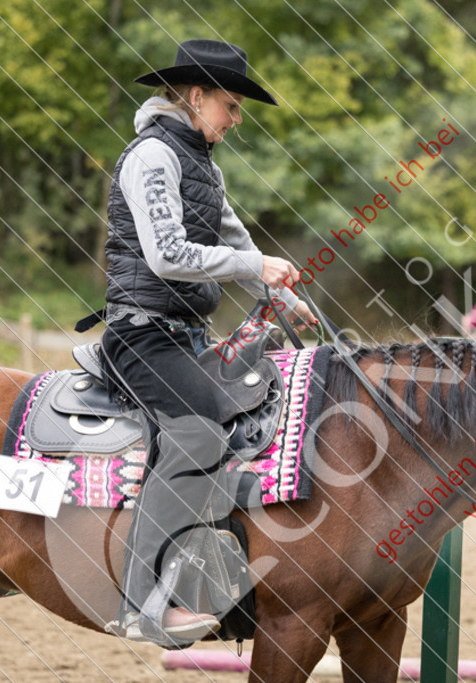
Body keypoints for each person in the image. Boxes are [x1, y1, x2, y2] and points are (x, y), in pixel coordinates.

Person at [95, 39, 316, 646]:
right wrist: (259, 265)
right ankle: (140, 602)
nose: (237, 119)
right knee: (197, 432)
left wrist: (287, 295)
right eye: (231, 105)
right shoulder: (151, 158)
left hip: (187, 336)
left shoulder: (204, 166)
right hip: (143, 335)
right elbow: (168, 256)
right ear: (195, 97)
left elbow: (239, 250)